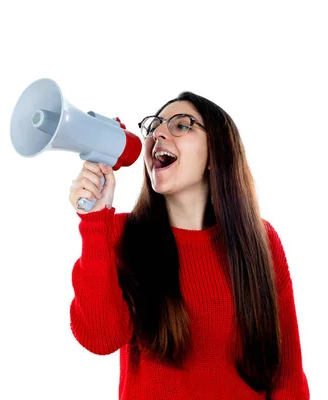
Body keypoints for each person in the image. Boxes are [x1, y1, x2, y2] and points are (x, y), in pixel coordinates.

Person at [68, 91, 310, 399]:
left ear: (216, 154)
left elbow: (287, 374)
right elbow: (100, 337)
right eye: (154, 126)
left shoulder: (260, 241)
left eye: (182, 125)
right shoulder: (119, 233)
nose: (158, 133)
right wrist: (93, 220)